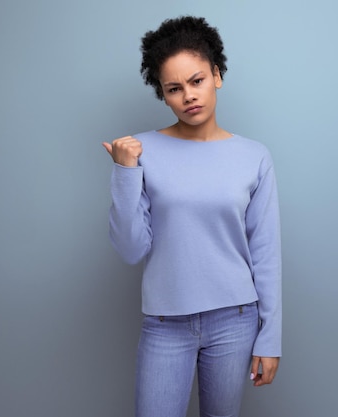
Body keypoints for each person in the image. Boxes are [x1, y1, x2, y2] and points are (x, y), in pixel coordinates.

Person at [102, 16, 282, 417]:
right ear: (163, 95)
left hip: (236, 320)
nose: (188, 96)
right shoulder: (140, 150)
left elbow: (265, 252)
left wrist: (270, 339)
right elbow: (131, 250)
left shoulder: (254, 156)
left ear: (216, 75)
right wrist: (125, 171)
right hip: (166, 323)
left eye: (197, 80)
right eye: (174, 89)